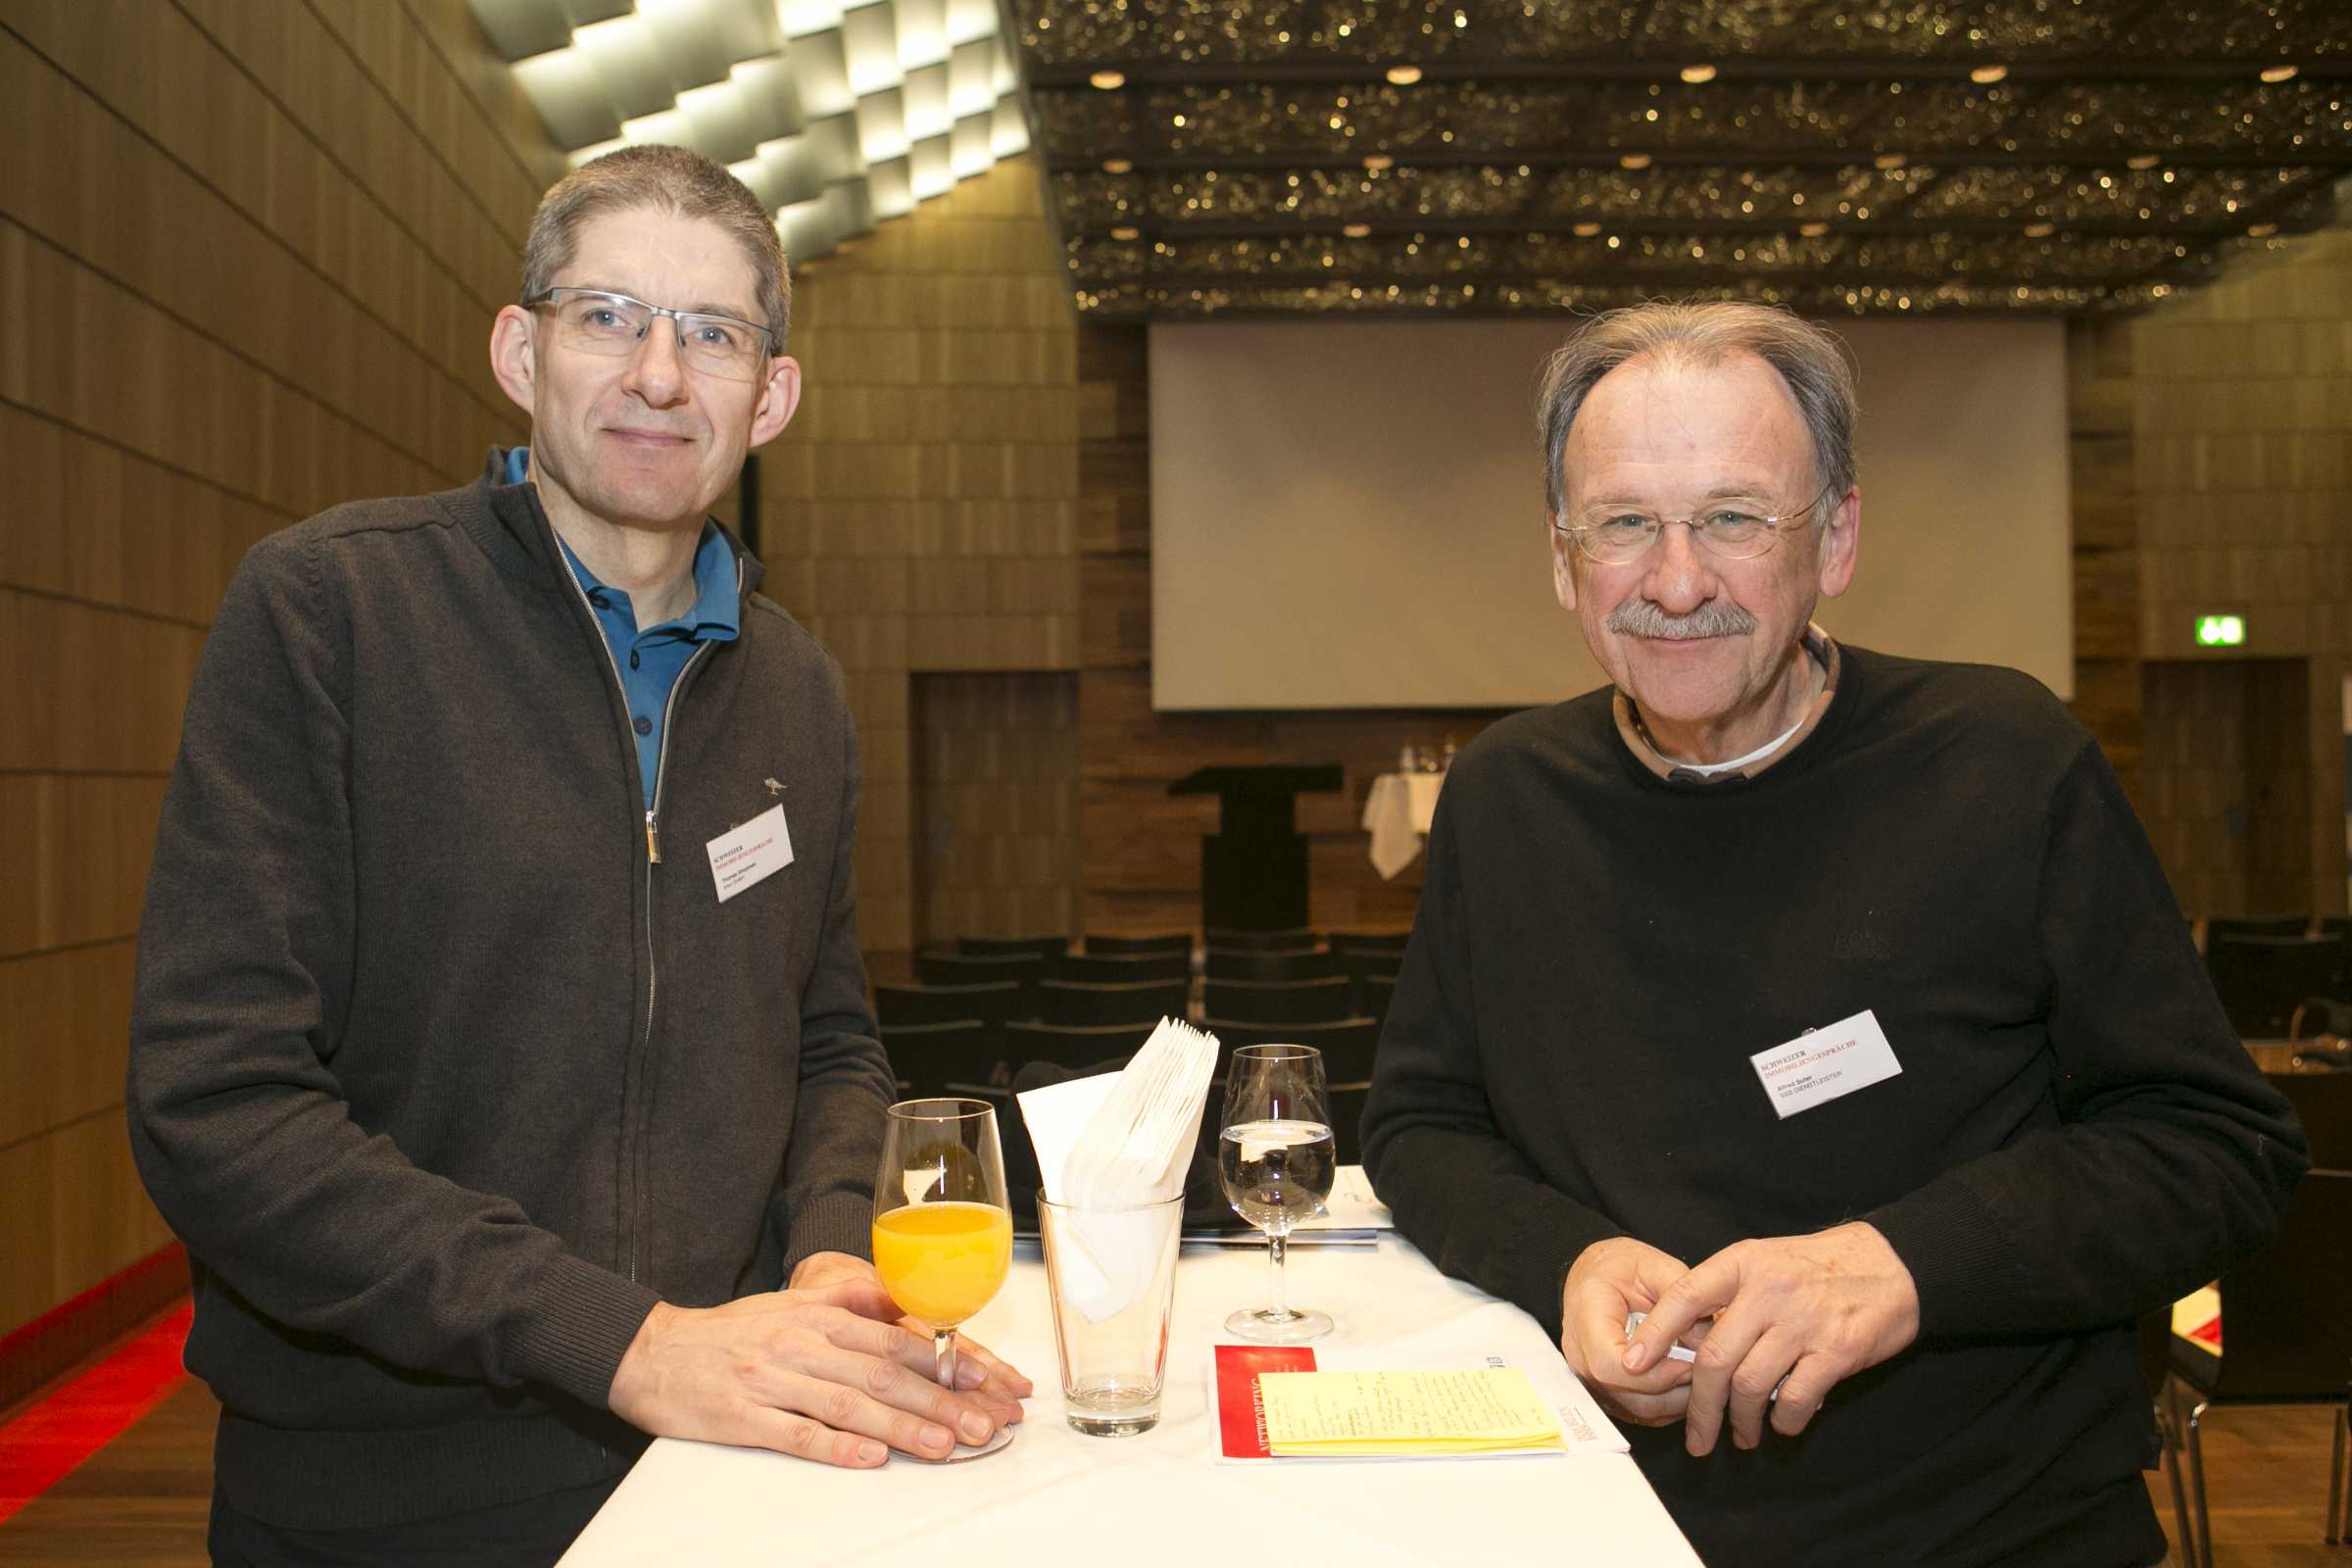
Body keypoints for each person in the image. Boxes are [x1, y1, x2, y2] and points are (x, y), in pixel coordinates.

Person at [126, 145, 1027, 1563]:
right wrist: (622, 1340)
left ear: (771, 396)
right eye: (608, 316)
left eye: (712, 334)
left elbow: (830, 1039)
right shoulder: (330, 615)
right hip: (388, 1492)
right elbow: (218, 1106)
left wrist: (829, 1256)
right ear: (520, 351)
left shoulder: (800, 691)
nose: (659, 375)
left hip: (732, 1459)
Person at [1359, 300, 2306, 1567]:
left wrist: (1901, 1265)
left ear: (1839, 538)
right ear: (1564, 559)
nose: (1677, 582)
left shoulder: (2003, 764)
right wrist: (1567, 1260)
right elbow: (1422, 1123)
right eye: (1625, 524)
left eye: (1735, 518)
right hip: (1597, 1517)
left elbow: (2217, 1147)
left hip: (1987, 1532)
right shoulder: (1506, 796)